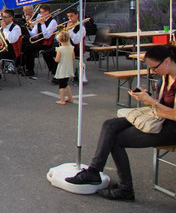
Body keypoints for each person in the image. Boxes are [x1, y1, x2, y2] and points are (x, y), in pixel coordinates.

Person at [65, 45, 176, 200]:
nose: (153, 72)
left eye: (154, 68)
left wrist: (151, 102)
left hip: (170, 128)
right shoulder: (166, 76)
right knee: (109, 125)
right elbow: (163, 104)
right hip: (159, 118)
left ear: (166, 62)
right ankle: (94, 171)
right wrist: (148, 98)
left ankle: (125, 189)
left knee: (115, 140)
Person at [22, 4, 58, 79]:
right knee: (26, 47)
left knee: (30, 48)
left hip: (47, 43)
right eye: (40, 12)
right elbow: (34, 35)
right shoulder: (40, 20)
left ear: (48, 12)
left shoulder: (53, 21)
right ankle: (29, 69)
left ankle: (55, 71)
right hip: (40, 42)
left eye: (43, 12)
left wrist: (42, 24)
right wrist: (26, 29)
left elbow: (47, 36)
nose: (41, 14)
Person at [54, 31, 74, 105]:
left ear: (59, 40)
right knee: (65, 84)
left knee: (61, 85)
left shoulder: (60, 49)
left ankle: (62, 100)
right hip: (69, 67)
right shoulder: (71, 48)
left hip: (62, 68)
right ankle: (70, 98)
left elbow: (57, 59)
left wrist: (54, 58)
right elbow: (73, 57)